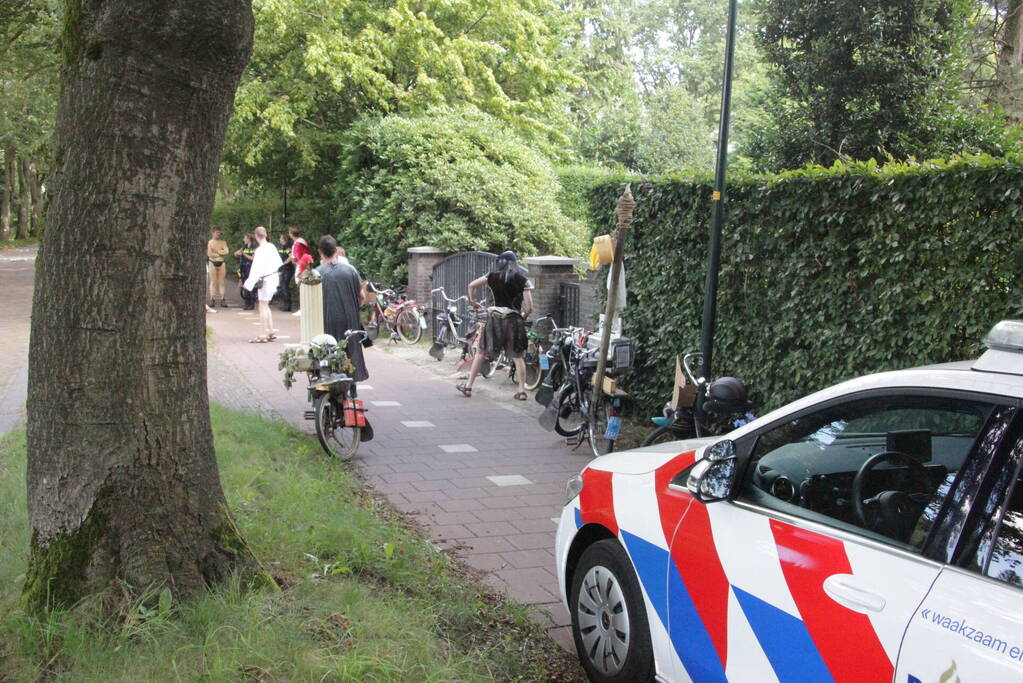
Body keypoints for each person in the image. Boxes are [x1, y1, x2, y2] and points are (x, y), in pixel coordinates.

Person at [457, 251, 533, 400]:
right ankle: (521, 391)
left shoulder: (491, 276)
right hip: (514, 320)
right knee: (517, 356)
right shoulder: (522, 280)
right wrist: (523, 316)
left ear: (501, 262)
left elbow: (471, 285)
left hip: (495, 320)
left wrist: (473, 303)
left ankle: (468, 387)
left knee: (481, 352)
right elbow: (529, 307)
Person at [316, 235, 368, 384]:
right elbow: (362, 296)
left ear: (320, 252)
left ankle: (327, 382)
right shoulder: (350, 270)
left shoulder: (317, 273)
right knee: (350, 352)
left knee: (327, 351)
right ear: (336, 251)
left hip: (326, 319)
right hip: (349, 319)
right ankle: (351, 387)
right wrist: (353, 307)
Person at [244, 226, 283, 342]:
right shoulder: (272, 247)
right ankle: (270, 331)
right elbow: (278, 263)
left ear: (256, 236)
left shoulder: (260, 251)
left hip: (265, 280)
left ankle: (262, 334)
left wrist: (248, 283)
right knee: (266, 305)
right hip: (274, 278)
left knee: (262, 306)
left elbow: (255, 270)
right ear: (265, 235)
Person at [287, 226, 311, 316]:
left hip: (300, 268)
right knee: (306, 288)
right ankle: (307, 309)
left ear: (291, 234)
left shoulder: (296, 244)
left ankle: (303, 309)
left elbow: (295, 259)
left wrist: (291, 255)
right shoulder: (303, 241)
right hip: (307, 266)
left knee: (302, 288)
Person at [207, 227, 230, 308]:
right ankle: (212, 299)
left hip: (221, 262)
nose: (218, 234)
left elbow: (226, 251)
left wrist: (216, 251)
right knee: (213, 282)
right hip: (212, 262)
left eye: (219, 233)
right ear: (213, 233)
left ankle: (223, 299)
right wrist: (220, 253)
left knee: (222, 282)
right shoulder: (210, 242)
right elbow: (209, 254)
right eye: (217, 232)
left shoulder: (223, 242)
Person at [233, 233, 256, 310]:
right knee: (244, 285)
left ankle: (251, 303)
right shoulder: (244, 247)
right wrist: (237, 254)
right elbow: (236, 253)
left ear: (249, 239)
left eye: (245, 238)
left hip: (250, 267)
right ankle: (246, 303)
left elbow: (253, 258)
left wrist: (244, 254)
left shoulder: (254, 247)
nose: (244, 240)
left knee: (250, 285)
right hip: (243, 267)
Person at [277, 233, 295, 312]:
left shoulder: (288, 247)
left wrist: (284, 263)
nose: (280, 240)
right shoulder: (282, 247)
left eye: (281, 238)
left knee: (284, 286)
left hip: (287, 269)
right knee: (283, 286)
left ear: (284, 239)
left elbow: (291, 256)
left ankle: (288, 306)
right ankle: (285, 304)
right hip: (283, 269)